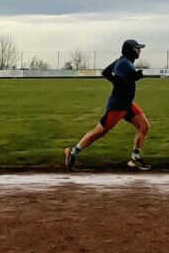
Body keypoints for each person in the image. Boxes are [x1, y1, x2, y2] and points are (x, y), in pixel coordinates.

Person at [64, 39, 151, 171]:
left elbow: (106, 72)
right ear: (129, 50)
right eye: (136, 48)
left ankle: (135, 159)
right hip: (118, 105)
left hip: (127, 104)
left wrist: (129, 78)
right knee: (99, 132)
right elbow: (120, 79)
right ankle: (72, 152)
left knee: (144, 126)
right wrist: (133, 77)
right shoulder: (124, 64)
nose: (139, 50)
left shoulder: (122, 61)